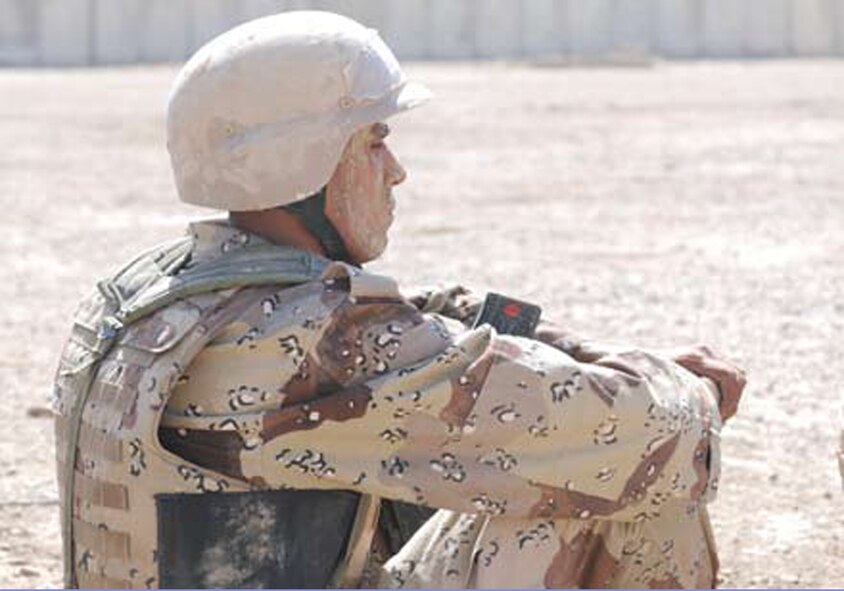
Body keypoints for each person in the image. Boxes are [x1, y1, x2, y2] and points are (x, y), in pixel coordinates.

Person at [52, 11, 746, 589]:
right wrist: (692, 390)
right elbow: (640, 429)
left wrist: (597, 353)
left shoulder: (148, 292)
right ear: (310, 158)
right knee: (628, 475)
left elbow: (424, 311)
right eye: (375, 141)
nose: (396, 170)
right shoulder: (318, 340)